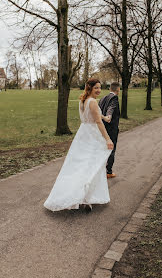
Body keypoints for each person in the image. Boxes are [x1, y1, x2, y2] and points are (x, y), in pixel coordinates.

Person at [44, 78, 114, 212]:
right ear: (90, 88)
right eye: (96, 88)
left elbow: (95, 116)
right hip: (91, 135)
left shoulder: (83, 100)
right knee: (91, 164)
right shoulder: (92, 102)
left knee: (80, 164)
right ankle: (85, 197)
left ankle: (84, 195)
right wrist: (108, 139)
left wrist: (105, 117)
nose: (99, 90)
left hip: (83, 134)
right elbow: (98, 122)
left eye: (100, 88)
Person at [99, 82, 120, 179]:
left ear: (110, 89)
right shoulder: (114, 98)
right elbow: (111, 107)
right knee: (111, 148)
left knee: (102, 148)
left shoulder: (102, 98)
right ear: (118, 89)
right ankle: (109, 171)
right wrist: (109, 115)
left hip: (102, 128)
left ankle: (100, 169)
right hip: (111, 128)